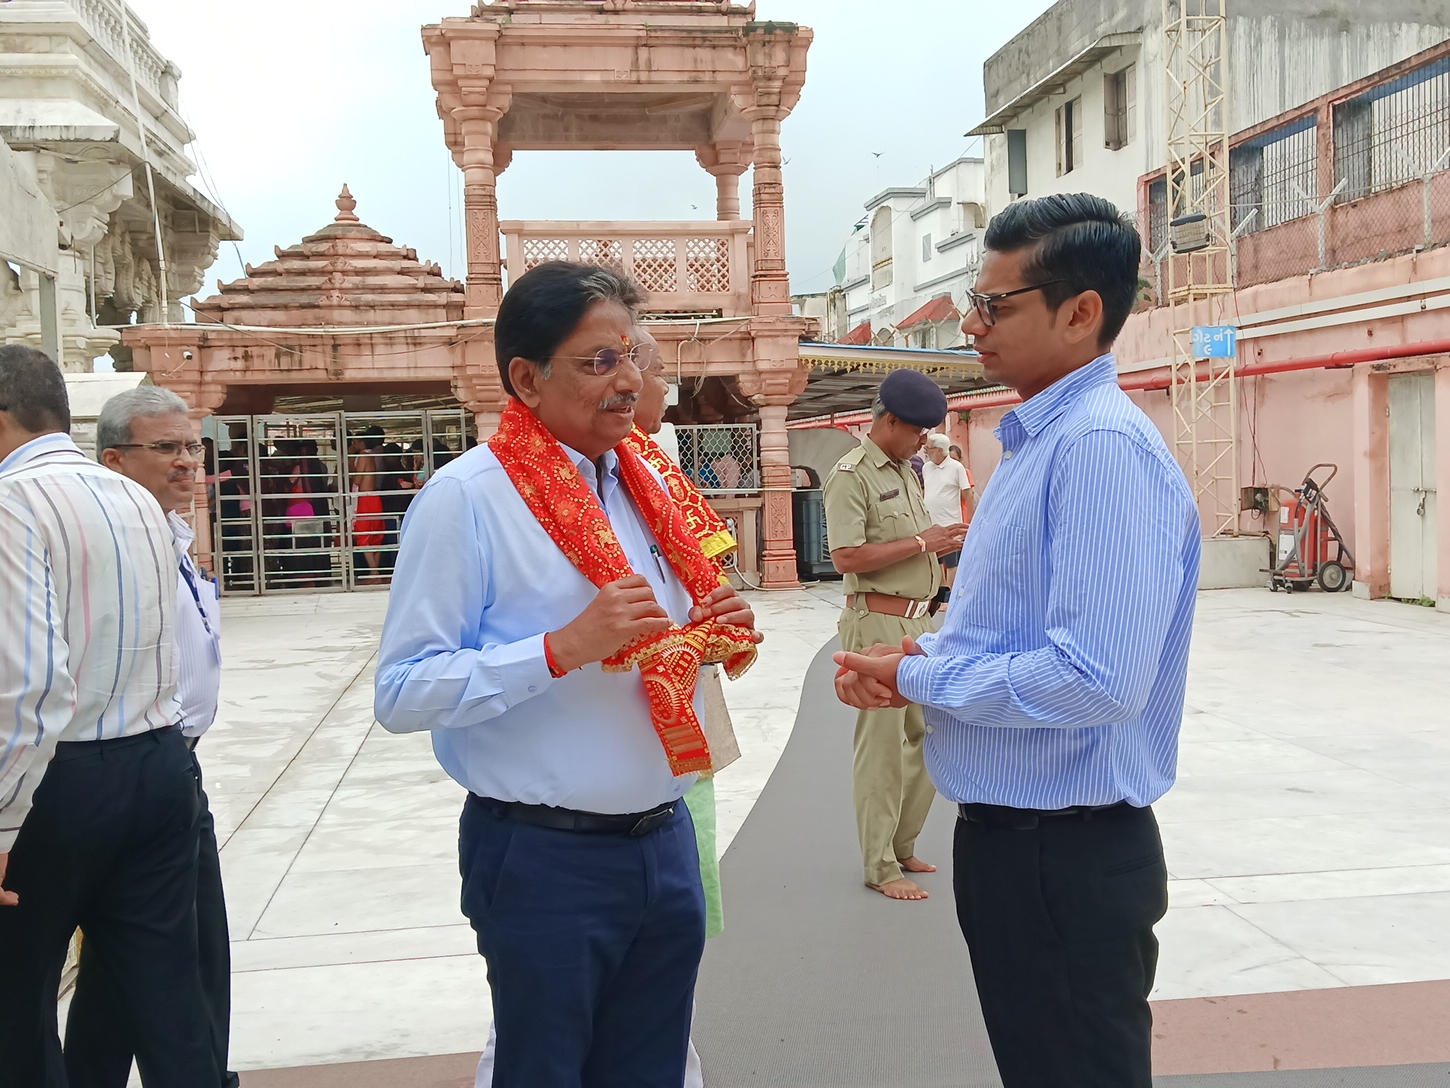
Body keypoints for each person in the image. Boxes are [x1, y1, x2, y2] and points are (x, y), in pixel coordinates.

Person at [833, 193, 1202, 1088]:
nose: (971, 325)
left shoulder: (1100, 449)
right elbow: (1011, 630)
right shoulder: (1040, 440)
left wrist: (925, 683)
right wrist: (919, 659)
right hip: (1024, 844)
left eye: (994, 306)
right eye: (974, 301)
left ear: (1081, 313)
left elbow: (1097, 678)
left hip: (1062, 853)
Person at [374, 261, 763, 1088]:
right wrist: (560, 648)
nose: (629, 382)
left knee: (654, 1070)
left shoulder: (651, 484)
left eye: (633, 356)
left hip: (665, 840)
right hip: (544, 858)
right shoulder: (467, 500)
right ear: (527, 378)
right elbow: (403, 690)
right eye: (598, 362)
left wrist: (711, 629)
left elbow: (661, 636)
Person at [0, 346, 217, 1088]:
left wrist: (2, 819)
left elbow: (30, 684)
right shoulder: (133, 498)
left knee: (18, 1001)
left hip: (60, 780)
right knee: (166, 998)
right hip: (156, 764)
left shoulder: (13, 501)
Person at [65, 387, 236, 1088]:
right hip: (118, 764)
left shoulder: (173, 536)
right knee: (179, 960)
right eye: (166, 448)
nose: (187, 462)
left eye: (193, 446)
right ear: (114, 460)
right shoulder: (105, 546)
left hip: (172, 768)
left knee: (140, 958)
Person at [822, 370, 967, 902]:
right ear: (889, 422)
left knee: (930, 735)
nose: (923, 442)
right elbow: (845, 557)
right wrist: (921, 542)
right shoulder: (851, 475)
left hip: (920, 622)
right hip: (877, 620)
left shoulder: (907, 471)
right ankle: (879, 866)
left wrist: (938, 551)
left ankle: (902, 845)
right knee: (883, 747)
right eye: (917, 432)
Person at [920, 432, 975, 597]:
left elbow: (968, 494)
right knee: (935, 560)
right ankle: (941, 593)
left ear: (939, 450)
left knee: (952, 562)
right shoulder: (926, 467)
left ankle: (951, 596)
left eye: (928, 448)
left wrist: (970, 522)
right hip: (930, 523)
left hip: (950, 523)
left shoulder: (956, 468)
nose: (925, 451)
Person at [347, 427, 386, 585]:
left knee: (363, 536)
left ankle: (374, 572)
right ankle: (374, 572)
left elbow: (357, 480)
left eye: (355, 442)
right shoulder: (371, 456)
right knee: (376, 536)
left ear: (361, 443)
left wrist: (351, 464)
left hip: (365, 499)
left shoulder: (362, 456)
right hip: (375, 498)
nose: (354, 445)